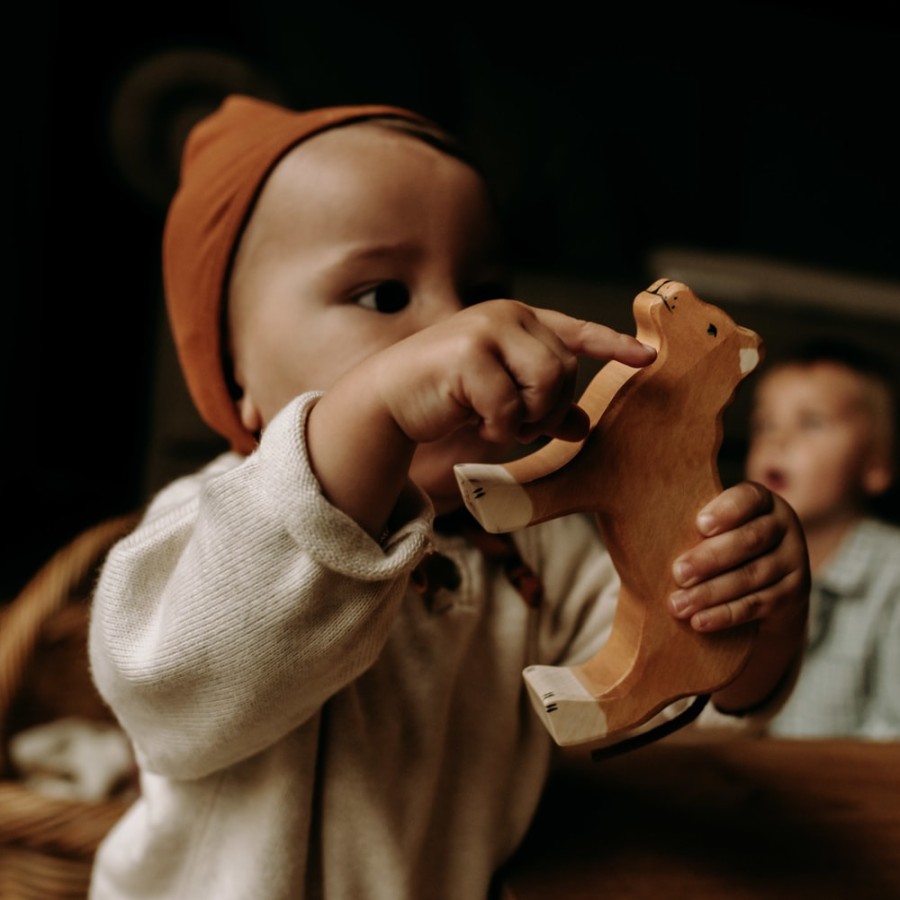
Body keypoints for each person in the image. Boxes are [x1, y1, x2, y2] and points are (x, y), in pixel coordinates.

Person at [87, 95, 809, 900]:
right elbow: (176, 696)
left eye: (483, 289)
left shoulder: (533, 542)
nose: (458, 330)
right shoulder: (214, 522)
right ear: (235, 381)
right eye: (384, 297)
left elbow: (674, 698)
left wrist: (750, 609)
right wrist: (369, 414)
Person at [746, 338, 900, 739]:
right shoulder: (736, 563)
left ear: (876, 464)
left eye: (812, 422)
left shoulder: (892, 575)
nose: (777, 441)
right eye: (765, 424)